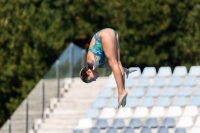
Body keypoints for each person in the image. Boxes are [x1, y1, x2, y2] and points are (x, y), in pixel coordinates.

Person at [79, 28, 135, 108]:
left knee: (113, 63)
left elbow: (93, 60)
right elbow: (117, 67)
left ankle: (121, 91)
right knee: (118, 63)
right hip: (113, 34)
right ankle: (123, 92)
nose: (95, 79)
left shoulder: (89, 62)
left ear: (88, 72)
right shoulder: (101, 65)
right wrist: (126, 70)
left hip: (104, 35)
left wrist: (95, 62)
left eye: (91, 79)